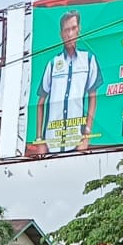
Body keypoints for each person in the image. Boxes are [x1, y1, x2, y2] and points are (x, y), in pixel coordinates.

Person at [27, 10, 103, 156]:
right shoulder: (53, 64)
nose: (70, 34)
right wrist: (39, 139)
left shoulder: (88, 60)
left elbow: (93, 98)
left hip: (77, 140)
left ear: (79, 30)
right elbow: (40, 102)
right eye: (66, 30)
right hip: (52, 143)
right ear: (61, 34)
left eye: (73, 29)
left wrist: (87, 133)